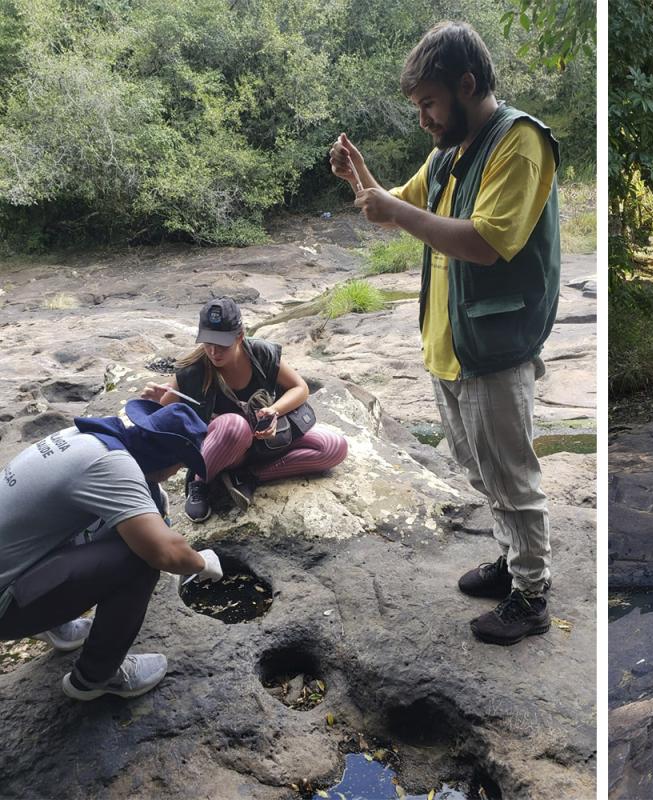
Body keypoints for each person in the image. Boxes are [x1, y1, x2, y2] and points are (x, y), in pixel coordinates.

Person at [328, 21, 559, 645]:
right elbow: (390, 207)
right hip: (450, 348)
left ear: (466, 84)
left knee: (511, 476)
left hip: (495, 349)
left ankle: (532, 595)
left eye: (429, 103)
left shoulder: (519, 142)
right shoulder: (447, 154)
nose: (424, 119)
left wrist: (395, 208)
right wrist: (359, 176)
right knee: (483, 472)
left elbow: (485, 242)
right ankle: (515, 565)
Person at [0, 400, 224, 700]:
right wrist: (200, 562)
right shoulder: (112, 467)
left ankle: (54, 623)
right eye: (181, 465)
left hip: (14, 567)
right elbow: (164, 552)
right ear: (171, 459)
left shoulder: (88, 437)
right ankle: (95, 678)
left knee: (123, 523)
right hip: (5, 604)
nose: (175, 474)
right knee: (139, 560)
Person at [140, 298, 348, 523]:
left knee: (334, 447)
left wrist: (274, 411)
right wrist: (155, 402)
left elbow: (300, 388)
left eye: (222, 344)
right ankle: (200, 481)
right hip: (225, 450)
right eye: (208, 342)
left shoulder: (261, 353)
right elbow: (154, 423)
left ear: (240, 336)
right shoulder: (192, 371)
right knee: (234, 425)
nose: (213, 351)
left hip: (266, 445)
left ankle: (248, 477)